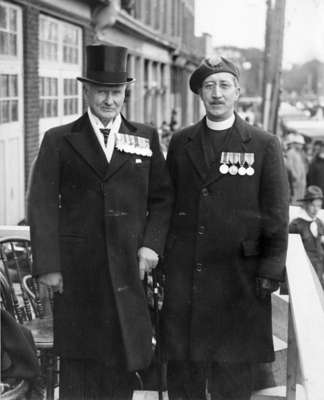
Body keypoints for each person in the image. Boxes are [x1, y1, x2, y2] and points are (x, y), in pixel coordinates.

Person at [29, 44, 173, 400]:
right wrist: (49, 266)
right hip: (78, 275)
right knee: (79, 370)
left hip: (127, 271)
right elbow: (42, 204)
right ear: (87, 91)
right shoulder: (59, 139)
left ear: (125, 92)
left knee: (120, 367)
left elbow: (163, 199)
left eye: (117, 92)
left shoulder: (145, 137)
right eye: (102, 92)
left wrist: (151, 245)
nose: (110, 101)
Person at [161, 55, 289, 400]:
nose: (216, 94)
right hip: (186, 280)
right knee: (184, 378)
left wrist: (270, 271)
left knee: (232, 381)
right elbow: (167, 205)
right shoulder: (181, 142)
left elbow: (276, 216)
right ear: (200, 94)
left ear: (237, 92)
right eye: (208, 86)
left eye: (224, 85)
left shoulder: (263, 144)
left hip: (239, 282)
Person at [289, 186, 324, 288]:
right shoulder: (296, 225)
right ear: (305, 205)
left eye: (319, 206)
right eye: (313, 205)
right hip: (303, 273)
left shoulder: (319, 223)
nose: (316, 209)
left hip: (319, 272)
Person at [284, 133, 307, 204]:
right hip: (295, 184)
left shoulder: (298, 153)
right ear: (295, 143)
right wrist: (296, 178)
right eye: (300, 144)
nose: (301, 146)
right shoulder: (291, 153)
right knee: (295, 202)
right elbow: (289, 167)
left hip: (299, 184)